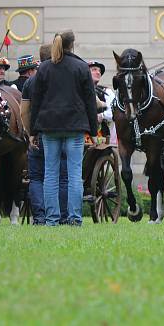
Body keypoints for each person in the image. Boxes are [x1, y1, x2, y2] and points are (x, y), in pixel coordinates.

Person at [30, 30, 98, 226]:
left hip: (49, 128)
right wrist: (93, 131)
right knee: (74, 174)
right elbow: (90, 103)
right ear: (73, 45)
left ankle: (52, 219)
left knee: (50, 174)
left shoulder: (44, 68)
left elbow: (36, 102)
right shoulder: (81, 67)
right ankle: (75, 218)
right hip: (75, 127)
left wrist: (33, 131)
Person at [21, 45, 68, 225]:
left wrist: (30, 133)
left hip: (38, 134)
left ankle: (40, 217)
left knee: (37, 178)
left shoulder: (31, 81)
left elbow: (24, 112)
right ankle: (62, 216)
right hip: (61, 133)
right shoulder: (64, 77)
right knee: (63, 178)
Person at [88, 60, 116, 146]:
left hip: (102, 137)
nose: (98, 73)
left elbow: (115, 112)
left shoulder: (107, 92)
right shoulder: (78, 90)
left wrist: (102, 115)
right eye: (94, 70)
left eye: (99, 71)